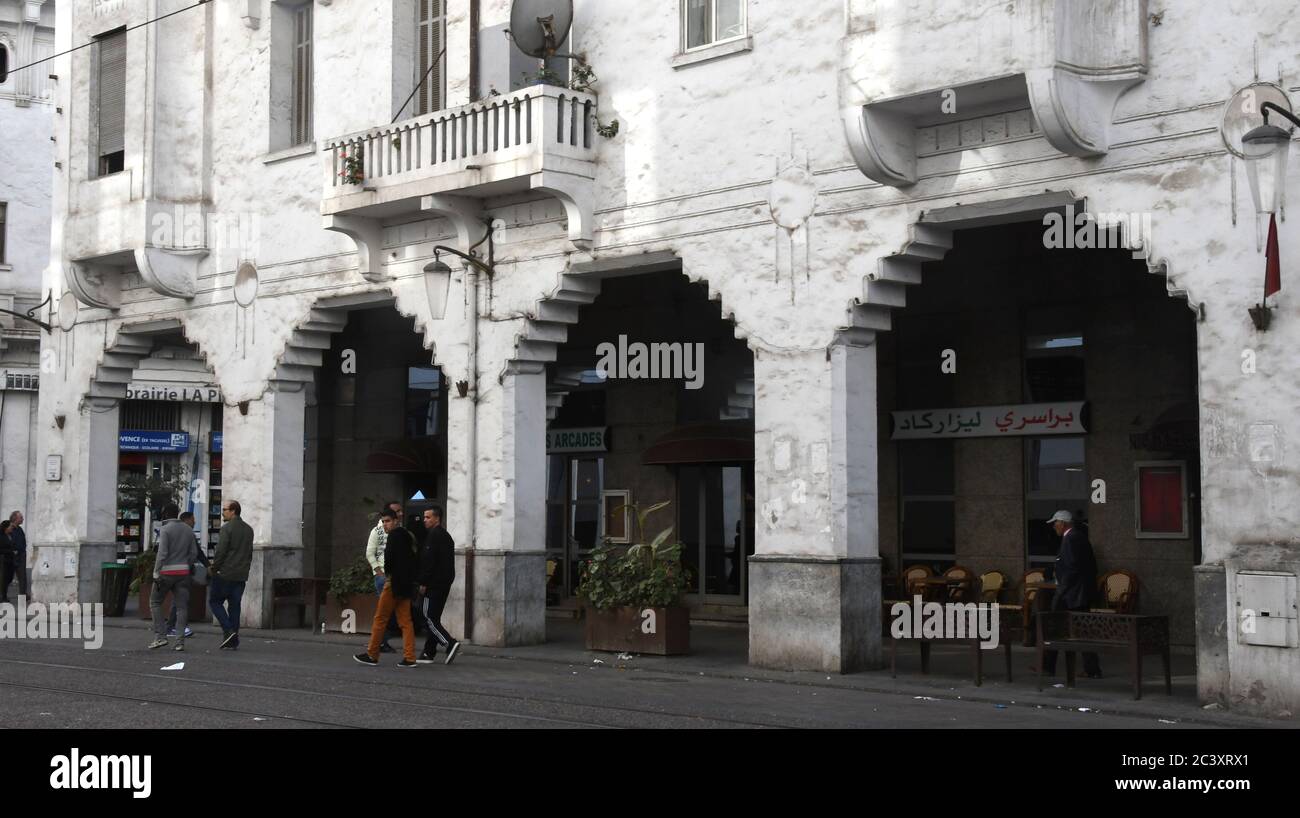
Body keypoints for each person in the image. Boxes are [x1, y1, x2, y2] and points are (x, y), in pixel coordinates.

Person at [1038, 510, 1102, 678]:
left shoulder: (1071, 539)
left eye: (1055, 523)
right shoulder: (1079, 537)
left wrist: (1062, 589)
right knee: (1082, 630)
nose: (1054, 527)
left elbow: (1072, 567)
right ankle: (1091, 669)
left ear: (1063, 523)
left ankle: (1048, 667)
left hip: (1071, 594)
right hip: (1080, 593)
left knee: (1054, 627)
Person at [354, 508, 418, 668]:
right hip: (406, 583)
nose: (384, 525)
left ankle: (372, 654)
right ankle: (409, 657)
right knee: (405, 621)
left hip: (393, 582)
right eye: (383, 521)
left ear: (396, 520)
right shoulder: (406, 535)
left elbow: (388, 559)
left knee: (380, 618)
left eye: (387, 521)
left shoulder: (394, 536)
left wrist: (385, 573)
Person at [149, 504, 197, 651]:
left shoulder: (165, 529)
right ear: (177, 514)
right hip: (183, 574)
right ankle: (179, 642)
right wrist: (186, 566)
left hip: (166, 573)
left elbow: (162, 553)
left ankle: (161, 637)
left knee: (155, 602)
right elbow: (194, 553)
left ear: (164, 513)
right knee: (182, 608)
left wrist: (156, 572)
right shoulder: (188, 530)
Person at [417, 506, 460, 665]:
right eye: (424, 517)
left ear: (437, 518)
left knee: (426, 616)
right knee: (433, 617)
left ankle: (449, 643)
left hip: (434, 585)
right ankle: (429, 651)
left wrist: (423, 582)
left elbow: (429, 562)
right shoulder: (446, 536)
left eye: (428, 517)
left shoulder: (435, 536)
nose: (425, 520)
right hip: (443, 583)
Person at [211, 499, 254, 650]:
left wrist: (214, 568)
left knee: (215, 602)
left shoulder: (227, 528)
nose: (222, 512)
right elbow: (249, 553)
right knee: (234, 606)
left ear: (233, 511)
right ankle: (233, 638)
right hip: (241, 574)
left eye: (224, 509)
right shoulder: (249, 529)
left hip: (226, 573)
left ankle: (228, 631)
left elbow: (221, 552)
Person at [365, 500, 404, 653]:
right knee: (386, 612)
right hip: (384, 576)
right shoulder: (378, 530)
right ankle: (379, 643)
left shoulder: (398, 530)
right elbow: (369, 553)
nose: (401, 513)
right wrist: (378, 571)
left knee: (389, 611)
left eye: (401, 511)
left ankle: (381, 642)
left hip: (394, 575)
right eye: (398, 511)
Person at [166, 512, 208, 638]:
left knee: (179, 599)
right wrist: (206, 565)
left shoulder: (171, 532)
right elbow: (196, 552)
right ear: (187, 520)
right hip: (183, 570)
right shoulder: (188, 533)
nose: (194, 522)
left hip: (171, 569)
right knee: (181, 599)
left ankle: (174, 626)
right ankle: (175, 627)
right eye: (193, 519)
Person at [7, 511, 28, 599]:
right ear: (15, 519)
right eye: (21, 517)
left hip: (21, 556)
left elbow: (22, 541)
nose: (22, 519)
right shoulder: (8, 528)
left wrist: (23, 551)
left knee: (22, 577)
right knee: (7, 577)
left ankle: (23, 595)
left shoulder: (19, 529)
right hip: (10, 557)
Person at [0, 520, 13, 604]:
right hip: (3, 560)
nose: (12, 528)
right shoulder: (1, 537)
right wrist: (10, 551)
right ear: (6, 528)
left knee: (9, 578)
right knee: (3, 579)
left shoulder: (9, 535)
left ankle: (4, 595)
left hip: (10, 560)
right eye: (10, 526)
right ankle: (3, 596)